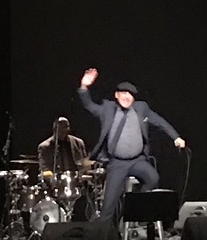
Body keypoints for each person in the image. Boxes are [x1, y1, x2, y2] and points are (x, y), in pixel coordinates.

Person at [76, 67, 186, 223]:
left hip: (137, 160)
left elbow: (160, 122)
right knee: (108, 207)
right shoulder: (108, 109)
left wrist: (176, 137)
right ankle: (106, 233)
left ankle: (135, 208)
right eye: (123, 93)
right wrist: (84, 86)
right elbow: (88, 105)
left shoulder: (141, 108)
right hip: (117, 163)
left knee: (153, 178)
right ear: (116, 95)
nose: (127, 97)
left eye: (130, 94)